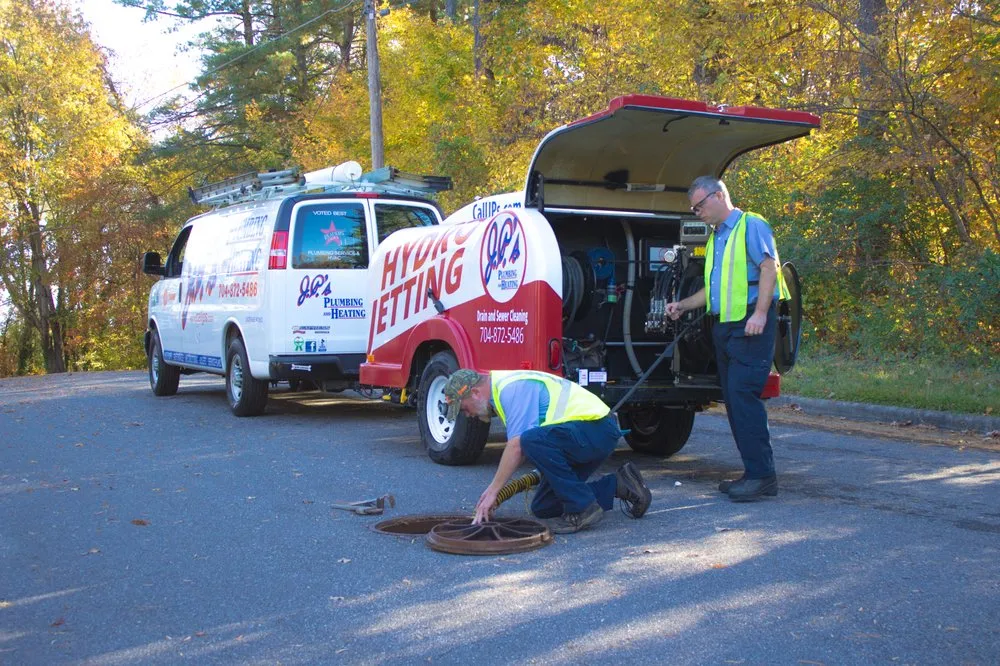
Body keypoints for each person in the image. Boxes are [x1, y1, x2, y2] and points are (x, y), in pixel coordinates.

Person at [665, 176, 789, 502]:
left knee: (744, 398)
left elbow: (769, 268)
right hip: (725, 328)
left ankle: (763, 476)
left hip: (750, 327)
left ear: (719, 196)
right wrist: (683, 305)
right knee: (734, 401)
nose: (697, 212)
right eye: (694, 209)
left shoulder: (751, 225)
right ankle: (753, 473)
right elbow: (714, 290)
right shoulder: (717, 237)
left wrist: (760, 314)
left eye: (700, 205)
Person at [442, 368, 652, 534]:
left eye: (464, 408)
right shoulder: (501, 391)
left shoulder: (511, 388)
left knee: (529, 440)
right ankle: (619, 484)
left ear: (475, 393)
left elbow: (517, 446)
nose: (467, 415)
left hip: (597, 429)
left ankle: (584, 508)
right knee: (544, 506)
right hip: (583, 436)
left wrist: (493, 492)